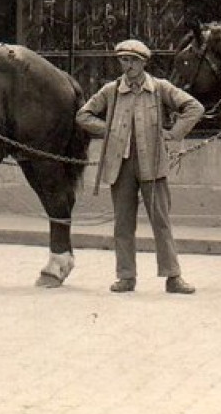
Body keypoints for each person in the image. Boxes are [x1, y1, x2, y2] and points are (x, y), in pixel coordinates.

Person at [77, 39, 205, 294]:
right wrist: (108, 130)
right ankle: (126, 277)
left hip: (153, 165)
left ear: (144, 62)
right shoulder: (111, 91)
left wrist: (174, 134)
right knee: (123, 223)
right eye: (124, 60)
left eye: (133, 60)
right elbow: (83, 115)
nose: (128, 66)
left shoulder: (159, 88)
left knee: (161, 221)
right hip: (120, 166)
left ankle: (173, 277)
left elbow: (194, 107)